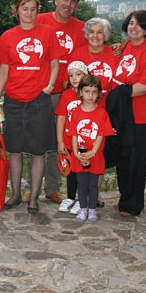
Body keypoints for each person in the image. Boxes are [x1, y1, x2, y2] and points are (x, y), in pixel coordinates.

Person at [0, 0, 59, 214]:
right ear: (17, 11)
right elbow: (3, 70)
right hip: (13, 99)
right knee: (14, 150)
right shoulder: (8, 36)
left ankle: (34, 198)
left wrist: (48, 87)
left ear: (37, 10)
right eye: (24, 8)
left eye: (32, 9)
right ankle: (15, 194)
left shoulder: (48, 32)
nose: (28, 13)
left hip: (38, 100)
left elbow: (54, 64)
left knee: (38, 151)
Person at [23, 0, 87, 204]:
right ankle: (30, 187)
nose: (68, 4)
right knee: (33, 142)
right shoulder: (38, 19)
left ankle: (52, 188)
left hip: (66, 94)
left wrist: (118, 48)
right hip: (38, 91)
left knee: (57, 143)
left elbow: (97, 46)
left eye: (73, 1)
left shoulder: (81, 28)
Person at [107, 10, 146, 217]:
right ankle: (124, 198)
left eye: (138, 24)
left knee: (136, 160)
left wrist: (121, 93)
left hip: (139, 115)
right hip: (123, 114)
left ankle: (134, 203)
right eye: (130, 23)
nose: (133, 27)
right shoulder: (128, 46)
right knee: (123, 157)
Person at [68, 75, 115, 222]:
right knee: (82, 184)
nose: (90, 95)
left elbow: (101, 134)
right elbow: (74, 134)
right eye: (87, 91)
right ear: (81, 92)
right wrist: (76, 153)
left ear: (99, 93)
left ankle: (92, 209)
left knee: (93, 185)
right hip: (80, 156)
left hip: (95, 156)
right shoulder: (76, 112)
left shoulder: (101, 113)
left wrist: (93, 152)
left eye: (94, 92)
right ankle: (82, 209)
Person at [54, 61, 88, 214]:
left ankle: (82, 199)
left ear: (85, 75)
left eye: (78, 74)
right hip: (68, 140)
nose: (74, 78)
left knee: (83, 170)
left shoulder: (91, 94)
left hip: (85, 142)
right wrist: (60, 141)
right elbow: (61, 118)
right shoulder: (66, 95)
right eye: (71, 75)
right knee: (71, 170)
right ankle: (70, 197)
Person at [70, 17, 119, 105]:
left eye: (99, 32)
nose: (95, 36)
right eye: (91, 32)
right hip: (85, 106)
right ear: (87, 34)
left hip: (111, 105)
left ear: (105, 35)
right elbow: (71, 83)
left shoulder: (115, 53)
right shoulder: (77, 54)